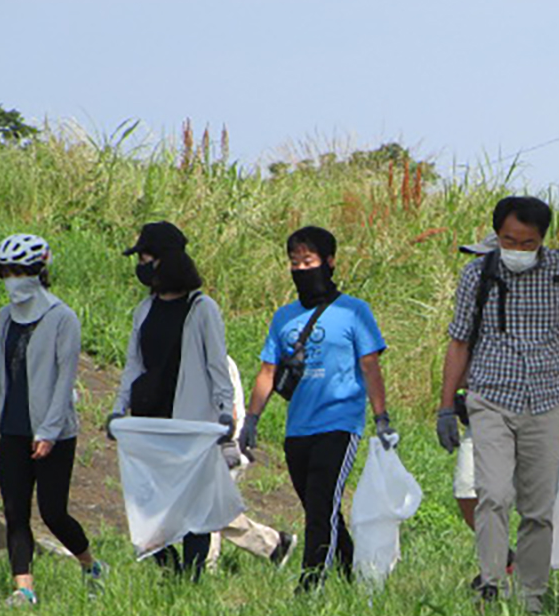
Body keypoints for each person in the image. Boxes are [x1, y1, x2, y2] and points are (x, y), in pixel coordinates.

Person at [436, 196, 559, 614]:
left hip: (547, 400)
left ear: (542, 239)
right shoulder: (476, 274)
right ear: (496, 235)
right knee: (493, 495)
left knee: (538, 508)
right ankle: (491, 585)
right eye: (508, 240)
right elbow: (459, 341)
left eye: (526, 242)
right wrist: (447, 406)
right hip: (491, 397)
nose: (516, 249)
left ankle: (532, 597)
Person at [238, 226, 395, 591]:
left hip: (340, 423)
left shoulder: (355, 312)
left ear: (329, 262)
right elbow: (267, 371)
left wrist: (381, 417)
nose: (301, 269)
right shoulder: (284, 317)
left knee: (322, 506)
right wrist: (252, 418)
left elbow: (371, 366)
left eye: (308, 261)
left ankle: (310, 585)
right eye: (294, 262)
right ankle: (353, 574)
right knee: (318, 509)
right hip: (298, 429)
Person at [0, 234, 107, 606]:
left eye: (19, 271)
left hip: (53, 433)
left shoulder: (62, 318)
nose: (13, 279)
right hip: (12, 427)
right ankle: (24, 588)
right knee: (14, 511)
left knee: (53, 512)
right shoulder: (5, 317)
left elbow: (64, 379)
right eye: (7, 272)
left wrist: (50, 431)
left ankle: (91, 565)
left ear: (38, 271)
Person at [108, 221, 233, 580]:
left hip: (189, 423)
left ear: (163, 261)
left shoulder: (201, 308)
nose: (142, 266)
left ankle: (191, 578)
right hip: (150, 419)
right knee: (148, 503)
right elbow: (134, 362)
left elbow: (216, 364)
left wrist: (226, 413)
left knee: (194, 506)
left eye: (145, 257)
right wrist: (119, 408)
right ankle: (169, 569)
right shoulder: (144, 309)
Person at [205, 356, 298, 570]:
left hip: (225, 447)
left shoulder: (216, 362)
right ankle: (274, 545)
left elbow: (230, 411)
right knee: (214, 510)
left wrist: (228, 445)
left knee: (207, 510)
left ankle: (204, 569)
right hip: (210, 447)